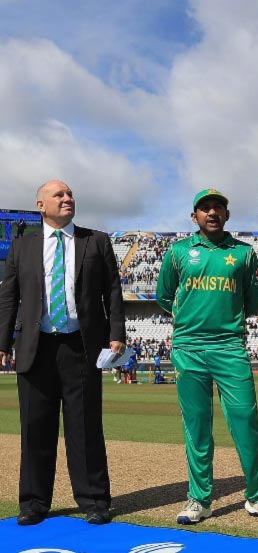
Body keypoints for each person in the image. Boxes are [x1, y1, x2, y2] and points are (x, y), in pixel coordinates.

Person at [156, 188, 258, 526]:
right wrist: (190, 323)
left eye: (218, 208)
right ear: (194, 216)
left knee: (245, 421)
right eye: (204, 208)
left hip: (230, 347)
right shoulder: (178, 252)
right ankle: (199, 499)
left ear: (226, 215)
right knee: (197, 426)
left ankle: (257, 496)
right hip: (188, 348)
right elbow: (163, 296)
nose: (211, 213)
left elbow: (252, 302)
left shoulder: (243, 254)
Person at [0, 180, 126, 526]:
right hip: (35, 347)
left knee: (84, 427)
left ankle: (94, 500)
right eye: (59, 194)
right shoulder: (22, 246)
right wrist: (1, 342)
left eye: (70, 193)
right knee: (35, 427)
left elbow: (113, 290)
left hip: (81, 346)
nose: (68, 198)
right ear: (41, 205)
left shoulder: (95, 240)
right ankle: (33, 502)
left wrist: (117, 333)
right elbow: (9, 296)